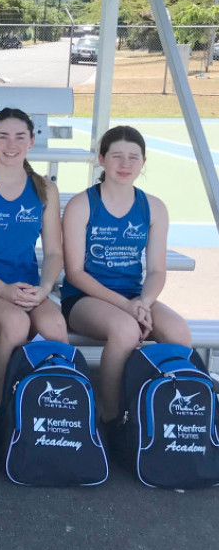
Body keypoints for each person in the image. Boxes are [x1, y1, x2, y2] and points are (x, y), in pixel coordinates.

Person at [61, 125, 190, 428]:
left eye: (133, 157)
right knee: (125, 330)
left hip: (134, 296)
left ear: (143, 162)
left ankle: (165, 418)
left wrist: (143, 302)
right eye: (117, 156)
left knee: (179, 333)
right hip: (86, 298)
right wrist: (127, 306)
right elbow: (76, 273)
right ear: (102, 159)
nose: (125, 164)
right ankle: (110, 416)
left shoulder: (154, 207)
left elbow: (157, 271)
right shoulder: (82, 204)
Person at [0, 108, 67, 410]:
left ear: (31, 141)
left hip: (29, 290)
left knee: (56, 326)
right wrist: (2, 290)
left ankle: (54, 410)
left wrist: (44, 289)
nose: (11, 144)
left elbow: (55, 252)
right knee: (16, 324)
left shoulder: (45, 189)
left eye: (20, 137)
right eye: (3, 136)